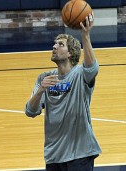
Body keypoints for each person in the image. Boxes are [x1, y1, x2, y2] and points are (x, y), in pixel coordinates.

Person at [24, 13, 101, 171]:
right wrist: (40, 91)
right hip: (54, 154)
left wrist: (85, 36)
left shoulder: (80, 74)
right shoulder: (44, 78)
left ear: (70, 53)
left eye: (60, 44)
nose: (54, 46)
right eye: (54, 44)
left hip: (80, 153)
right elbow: (30, 111)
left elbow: (92, 68)